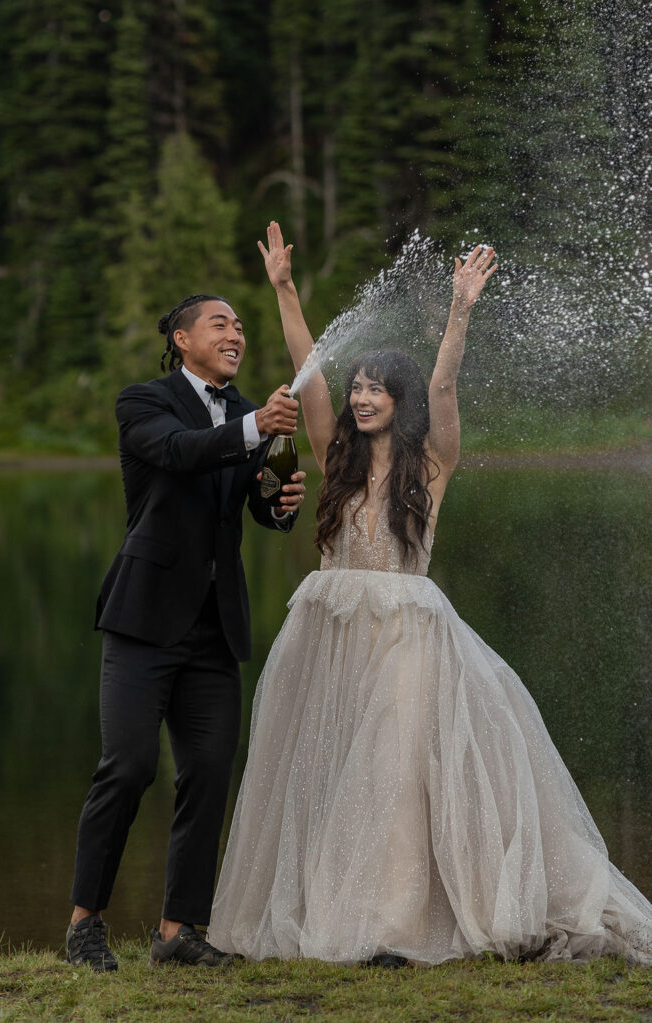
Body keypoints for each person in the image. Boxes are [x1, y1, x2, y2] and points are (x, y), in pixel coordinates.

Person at [207, 223, 652, 966]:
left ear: (400, 399)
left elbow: (445, 384)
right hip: (327, 629)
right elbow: (306, 372)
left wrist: (459, 310)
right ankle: (337, 912)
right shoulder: (333, 457)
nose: (361, 395)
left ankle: (392, 930)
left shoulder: (432, 464)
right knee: (325, 773)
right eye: (358, 387)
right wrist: (284, 289)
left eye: (376, 388)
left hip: (408, 633)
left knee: (392, 775)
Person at [66, 292, 306, 972]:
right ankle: (85, 925)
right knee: (130, 767)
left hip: (214, 626)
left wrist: (280, 496)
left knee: (206, 775)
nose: (235, 333)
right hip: (142, 620)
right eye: (219, 323)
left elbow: (270, 506)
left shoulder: (255, 415)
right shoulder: (142, 401)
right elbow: (178, 453)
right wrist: (259, 426)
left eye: (239, 325)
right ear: (181, 338)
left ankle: (177, 932)